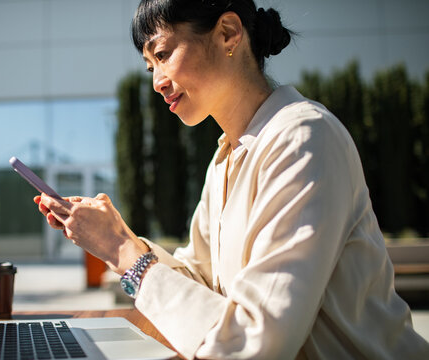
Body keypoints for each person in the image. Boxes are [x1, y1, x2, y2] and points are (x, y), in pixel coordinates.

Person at [35, 0, 429, 358]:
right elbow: (203, 282)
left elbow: (256, 343)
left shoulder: (304, 139)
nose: (156, 81)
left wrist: (124, 251)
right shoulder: (227, 158)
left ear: (228, 33)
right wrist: (118, 237)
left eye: (163, 54)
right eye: (150, 66)